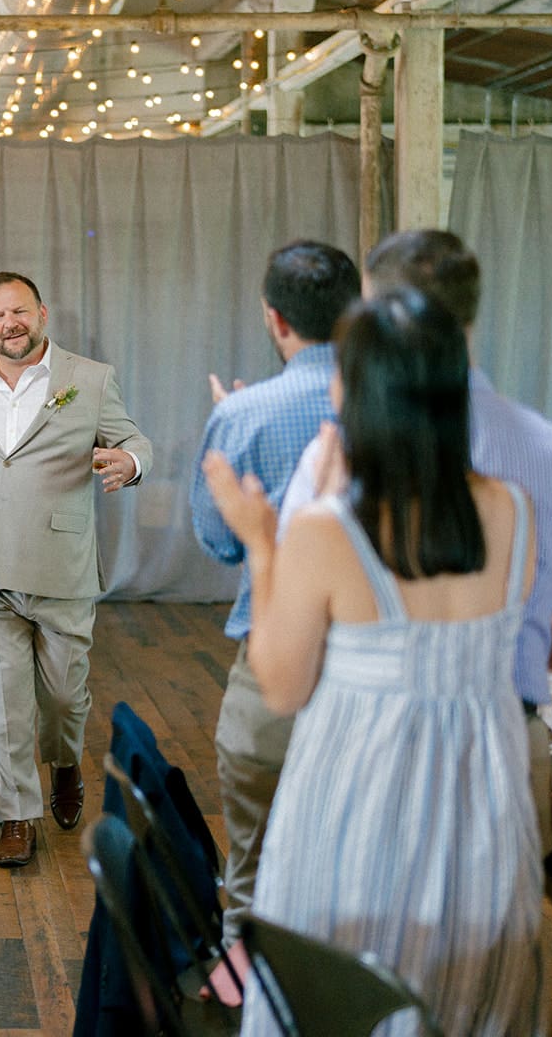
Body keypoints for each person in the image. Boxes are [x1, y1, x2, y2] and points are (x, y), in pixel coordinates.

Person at [204, 288, 542, 1035]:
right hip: (481, 809)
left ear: (359, 391)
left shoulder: (330, 528)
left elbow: (285, 687)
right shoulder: (514, 510)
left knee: (346, 1009)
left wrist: (264, 544)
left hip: (362, 799)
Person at [281, 229, 552, 853]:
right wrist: (497, 647)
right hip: (502, 744)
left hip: (360, 750)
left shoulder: (333, 461)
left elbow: (288, 664)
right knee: (490, 945)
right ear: (471, 312)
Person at [0, 272, 153, 869]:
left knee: (62, 698)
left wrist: (129, 461)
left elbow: (135, 439)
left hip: (61, 566)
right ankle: (16, 817)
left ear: (43, 314)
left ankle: (64, 763)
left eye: (19, 312)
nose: (9, 324)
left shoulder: (88, 379)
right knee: (4, 701)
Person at [188, 242, 360, 926]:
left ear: (275, 319)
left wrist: (239, 422)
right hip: (381, 669)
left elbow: (220, 540)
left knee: (253, 871)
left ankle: (252, 1006)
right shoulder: (410, 415)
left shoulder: (243, 414)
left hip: (274, 667)